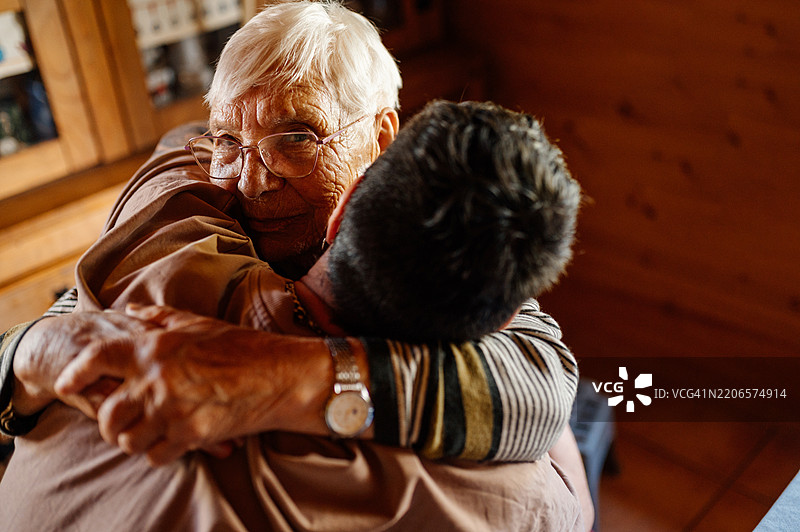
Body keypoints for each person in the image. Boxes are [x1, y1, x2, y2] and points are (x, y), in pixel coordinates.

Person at [1, 0, 576, 465]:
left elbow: (541, 380)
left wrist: (281, 374)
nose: (252, 183)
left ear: (379, 139)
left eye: (296, 139)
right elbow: (55, 336)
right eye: (228, 140)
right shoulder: (190, 175)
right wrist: (36, 347)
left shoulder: (430, 228)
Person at [0, 100, 585, 530]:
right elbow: (570, 491)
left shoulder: (154, 254)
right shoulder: (499, 497)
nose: (259, 177)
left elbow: (191, 138)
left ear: (343, 209)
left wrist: (32, 348)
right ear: (501, 323)